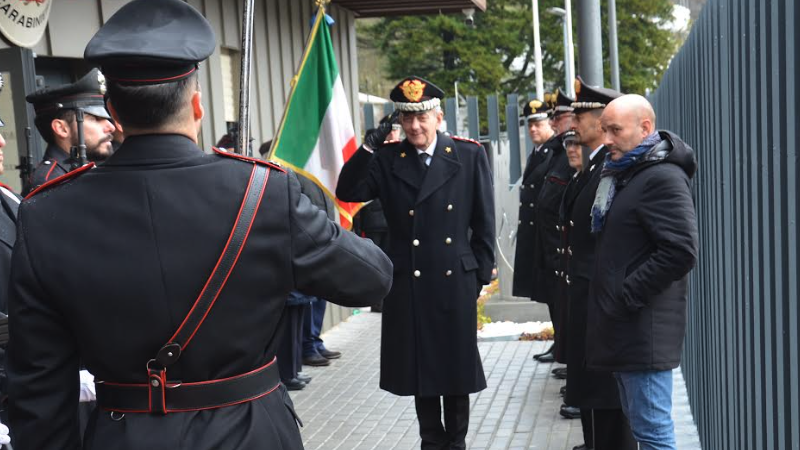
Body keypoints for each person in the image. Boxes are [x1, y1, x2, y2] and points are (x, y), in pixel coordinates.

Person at [6, 2, 393, 449]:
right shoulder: (262, 193)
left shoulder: (45, 213)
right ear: (197, 103)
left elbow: (38, 386)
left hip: (122, 435)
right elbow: (372, 279)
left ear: (112, 110)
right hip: (250, 433)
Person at [337, 76, 495, 450]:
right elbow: (348, 191)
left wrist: (477, 277)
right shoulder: (390, 158)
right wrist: (368, 147)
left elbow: (483, 223)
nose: (415, 126)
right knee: (419, 367)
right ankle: (430, 440)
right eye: (407, 119)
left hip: (454, 279)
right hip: (410, 279)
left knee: (455, 370)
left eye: (422, 117)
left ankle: (456, 442)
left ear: (438, 117)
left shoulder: (468, 155)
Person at [586, 94, 698, 450]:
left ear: (644, 128)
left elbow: (680, 250)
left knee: (653, 435)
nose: (606, 140)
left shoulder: (661, 177)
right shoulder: (626, 173)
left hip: (642, 329)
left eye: (615, 130)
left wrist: (627, 293)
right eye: (604, 130)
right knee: (643, 430)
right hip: (626, 328)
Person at [558, 76, 635, 450]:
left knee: (607, 400)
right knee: (592, 395)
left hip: (603, 303)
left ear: (602, 119)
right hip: (588, 300)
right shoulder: (595, 165)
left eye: (580, 115)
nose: (573, 123)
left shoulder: (614, 166)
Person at [512, 98, 561, 365]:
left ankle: (561, 345)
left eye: (538, 123)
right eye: (530, 125)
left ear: (550, 123)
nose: (533, 129)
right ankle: (559, 344)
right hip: (538, 233)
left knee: (555, 294)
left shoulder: (554, 152)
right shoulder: (539, 152)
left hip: (548, 234)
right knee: (549, 295)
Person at [25, 68, 115, 194]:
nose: (111, 127)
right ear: (61, 129)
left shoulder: (85, 170)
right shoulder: (51, 183)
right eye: (95, 119)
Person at [352, 112, 399, 313]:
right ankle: (378, 300)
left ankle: (382, 299)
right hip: (374, 219)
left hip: (382, 221)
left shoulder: (390, 156)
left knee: (384, 261)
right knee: (376, 262)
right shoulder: (377, 157)